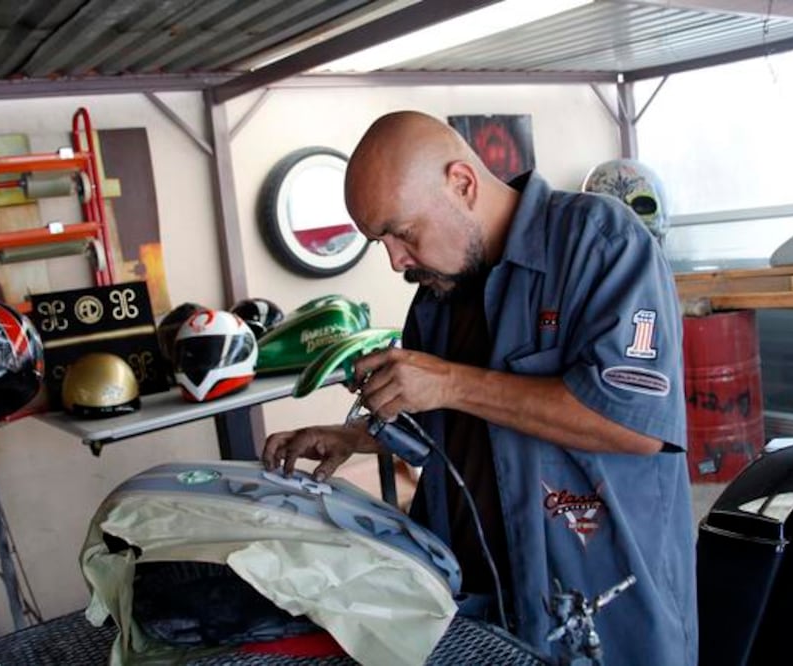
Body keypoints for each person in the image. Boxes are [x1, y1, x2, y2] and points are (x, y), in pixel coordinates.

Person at [261, 111, 697, 665]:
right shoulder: (440, 291)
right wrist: (356, 436)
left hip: (598, 604)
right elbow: (444, 422)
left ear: (462, 184)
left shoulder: (599, 243)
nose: (396, 259)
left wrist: (448, 382)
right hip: (474, 607)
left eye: (402, 232)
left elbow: (634, 423)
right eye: (381, 241)